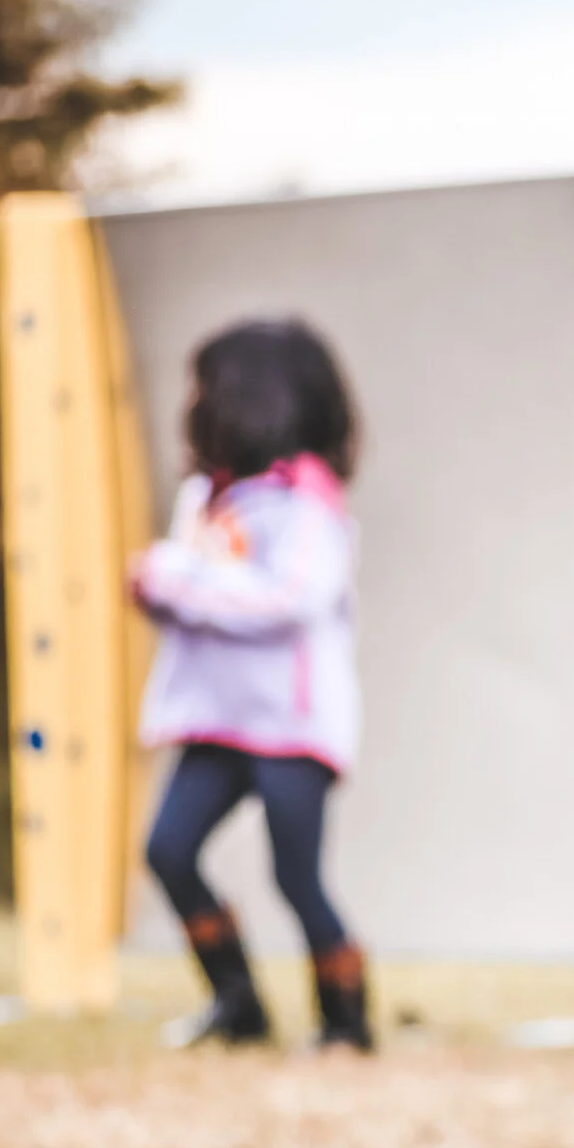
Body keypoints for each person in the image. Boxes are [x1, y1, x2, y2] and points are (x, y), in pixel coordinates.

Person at [131, 317, 370, 1053]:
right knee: (169, 849)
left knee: (294, 874)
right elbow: (191, 580)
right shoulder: (207, 495)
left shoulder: (306, 502)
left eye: (204, 390)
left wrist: (175, 577)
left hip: (290, 725)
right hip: (216, 719)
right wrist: (161, 583)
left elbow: (288, 595)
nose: (192, 405)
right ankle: (236, 1002)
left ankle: (346, 1020)